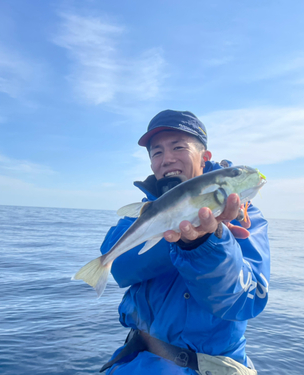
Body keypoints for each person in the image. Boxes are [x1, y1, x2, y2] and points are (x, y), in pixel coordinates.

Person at [99, 110, 270, 374]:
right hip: (132, 362)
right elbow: (119, 267)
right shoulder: (145, 213)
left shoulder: (243, 219)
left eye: (178, 147)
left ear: (205, 157)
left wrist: (205, 246)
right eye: (156, 153)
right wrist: (177, 236)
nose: (167, 159)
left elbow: (245, 300)